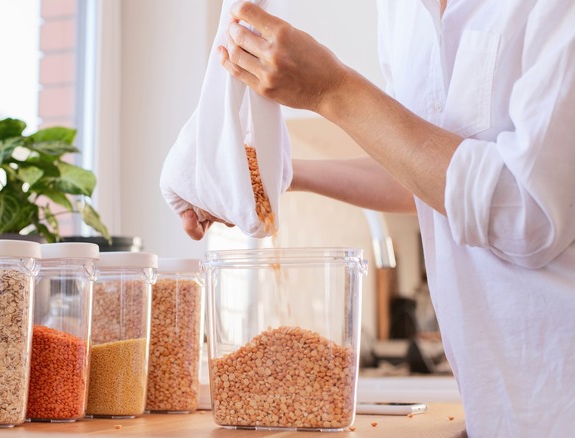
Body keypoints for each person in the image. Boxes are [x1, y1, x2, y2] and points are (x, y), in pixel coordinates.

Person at [180, 1, 575, 436]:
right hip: (496, 411)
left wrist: (332, 90)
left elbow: (528, 211)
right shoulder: (400, 11)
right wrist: (274, 177)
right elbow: (424, 176)